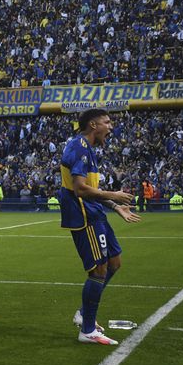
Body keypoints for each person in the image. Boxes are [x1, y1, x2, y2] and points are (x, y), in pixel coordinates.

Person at [59, 109, 141, 346]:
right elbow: (80, 189)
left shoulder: (87, 149)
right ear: (93, 125)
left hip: (96, 213)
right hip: (84, 217)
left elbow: (90, 189)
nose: (111, 126)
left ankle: (85, 313)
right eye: (107, 122)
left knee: (114, 263)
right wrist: (113, 194)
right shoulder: (79, 148)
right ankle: (87, 330)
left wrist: (115, 206)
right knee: (98, 271)